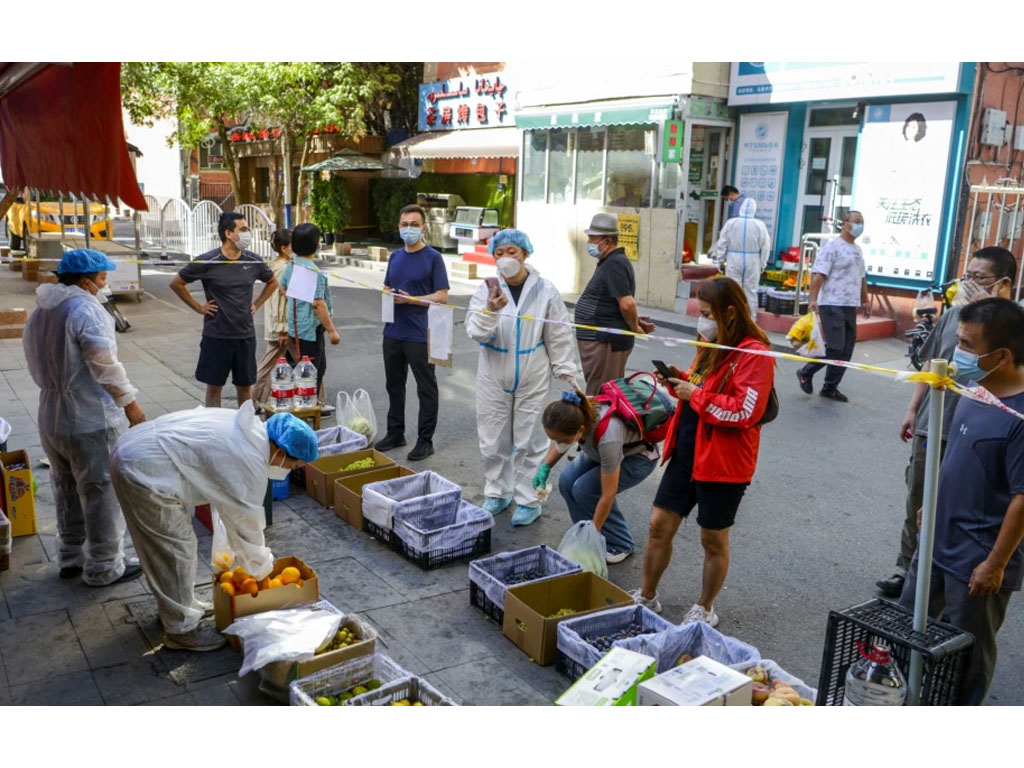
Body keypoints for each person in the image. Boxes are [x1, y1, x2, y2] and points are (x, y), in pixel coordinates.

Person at [110, 405, 318, 651]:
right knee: (174, 549)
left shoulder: (248, 430)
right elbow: (246, 526)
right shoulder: (248, 459)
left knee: (171, 546)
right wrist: (263, 574)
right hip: (142, 470)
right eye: (292, 466)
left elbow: (225, 497)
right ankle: (180, 630)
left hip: (138, 450)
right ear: (281, 451)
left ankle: (178, 607)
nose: (286, 472)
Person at [899, 297, 1024, 705]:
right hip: (935, 538)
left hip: (978, 559)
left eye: (968, 345)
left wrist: (996, 564)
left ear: (1002, 355)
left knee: (966, 655)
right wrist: (931, 502)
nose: (958, 353)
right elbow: (956, 454)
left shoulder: (1019, 415)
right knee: (906, 627)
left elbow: (1022, 499)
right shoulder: (975, 388)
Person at [631, 277, 774, 626]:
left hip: (724, 463)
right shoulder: (711, 343)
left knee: (712, 539)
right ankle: (647, 596)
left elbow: (744, 411)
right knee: (658, 526)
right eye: (700, 313)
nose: (701, 321)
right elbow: (702, 385)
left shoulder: (755, 354)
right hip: (686, 452)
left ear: (729, 312)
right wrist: (681, 379)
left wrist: (691, 395)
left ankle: (705, 607)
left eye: (707, 314)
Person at [878, 247, 1017, 597]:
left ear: (1003, 283)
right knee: (921, 501)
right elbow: (931, 364)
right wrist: (913, 409)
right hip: (935, 425)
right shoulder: (955, 316)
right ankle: (909, 567)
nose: (969, 284)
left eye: (979, 278)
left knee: (975, 507)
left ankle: (970, 572)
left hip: (985, 433)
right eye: (966, 276)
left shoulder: (1013, 326)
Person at [23, 249, 146, 586]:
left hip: (51, 415)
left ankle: (70, 556)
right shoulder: (84, 310)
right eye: (103, 278)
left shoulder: (42, 311)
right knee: (99, 490)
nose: (105, 285)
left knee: (64, 486)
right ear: (85, 281)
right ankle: (105, 566)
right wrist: (129, 402)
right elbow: (103, 364)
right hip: (89, 417)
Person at [465, 229, 580, 526]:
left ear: (525, 254)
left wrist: (567, 370)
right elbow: (475, 331)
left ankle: (529, 500)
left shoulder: (545, 291)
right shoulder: (485, 291)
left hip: (533, 372)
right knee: (493, 438)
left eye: (511, 252)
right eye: (499, 254)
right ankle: (498, 492)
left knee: (531, 439)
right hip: (493, 372)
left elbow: (559, 334)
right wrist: (490, 311)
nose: (505, 259)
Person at [170, 212, 279, 408]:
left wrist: (257, 303)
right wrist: (199, 307)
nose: (248, 233)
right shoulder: (208, 261)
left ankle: (245, 429)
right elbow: (177, 283)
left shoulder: (253, 260)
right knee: (214, 388)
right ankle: (213, 431)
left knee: (245, 388)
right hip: (216, 335)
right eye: (243, 229)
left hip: (244, 335)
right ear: (229, 233)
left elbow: (272, 281)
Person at [537, 388, 659, 563]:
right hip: (600, 450)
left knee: (585, 490)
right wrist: (546, 467)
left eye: (562, 440)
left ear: (580, 430)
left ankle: (620, 543)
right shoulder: (576, 410)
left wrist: (591, 540)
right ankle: (583, 531)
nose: (558, 444)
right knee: (566, 482)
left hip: (637, 458)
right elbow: (562, 440)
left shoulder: (608, 437)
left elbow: (607, 495)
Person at [375, 204, 450, 462]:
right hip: (393, 331)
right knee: (393, 384)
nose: (409, 229)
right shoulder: (395, 257)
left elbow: (441, 296)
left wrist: (412, 300)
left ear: (423, 228)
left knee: (425, 388)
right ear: (398, 227)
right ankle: (395, 432)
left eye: (414, 224)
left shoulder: (433, 258)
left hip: (421, 333)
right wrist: (387, 293)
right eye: (404, 224)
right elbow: (387, 285)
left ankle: (424, 440)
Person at [573, 213, 654, 396]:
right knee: (598, 390)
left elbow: (626, 304)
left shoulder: (614, 263)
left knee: (602, 394)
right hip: (600, 338)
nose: (589, 241)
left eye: (593, 238)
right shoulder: (609, 262)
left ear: (607, 241)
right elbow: (616, 304)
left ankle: (599, 425)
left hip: (605, 341)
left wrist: (633, 326)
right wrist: (635, 322)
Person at [796, 210, 867, 402]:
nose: (860, 225)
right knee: (835, 347)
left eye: (862, 222)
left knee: (846, 350)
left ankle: (830, 387)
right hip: (831, 303)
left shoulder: (857, 250)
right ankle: (806, 372)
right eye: (857, 221)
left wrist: (865, 300)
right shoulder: (832, 247)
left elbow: (862, 277)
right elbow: (819, 275)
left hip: (849, 305)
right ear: (845, 224)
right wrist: (813, 299)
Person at [280, 223, 341, 407]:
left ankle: (303, 408)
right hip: (310, 332)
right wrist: (332, 331)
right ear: (316, 245)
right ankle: (307, 413)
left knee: (300, 370)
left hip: (295, 328)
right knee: (313, 374)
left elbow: (282, 287)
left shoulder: (292, 265)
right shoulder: (314, 273)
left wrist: (295, 299)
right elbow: (318, 304)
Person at [710, 198, 771, 317]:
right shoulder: (760, 225)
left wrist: (721, 260)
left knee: (732, 290)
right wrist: (763, 263)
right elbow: (765, 246)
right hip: (753, 260)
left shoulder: (731, 223)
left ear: (741, 208)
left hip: (734, 258)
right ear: (754, 210)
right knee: (751, 291)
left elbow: (722, 242)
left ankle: (731, 317)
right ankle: (751, 320)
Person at [252, 229, 292, 409]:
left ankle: (259, 401)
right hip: (281, 325)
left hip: (278, 323)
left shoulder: (277, 265)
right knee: (268, 365)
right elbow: (280, 299)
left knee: (274, 364)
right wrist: (282, 328)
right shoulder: (284, 268)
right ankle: (252, 401)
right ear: (284, 248)